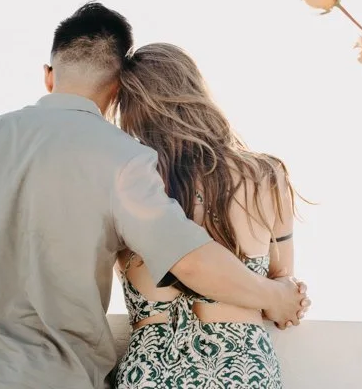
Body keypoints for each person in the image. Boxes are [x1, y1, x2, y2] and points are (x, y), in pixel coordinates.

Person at [0, 3, 310, 389]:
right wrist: (276, 296)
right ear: (117, 88)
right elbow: (189, 261)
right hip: (52, 375)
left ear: (49, 75)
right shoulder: (123, 159)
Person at [112, 43, 299, 388]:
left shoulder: (126, 186)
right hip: (244, 366)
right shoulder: (264, 175)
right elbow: (282, 296)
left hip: (152, 369)